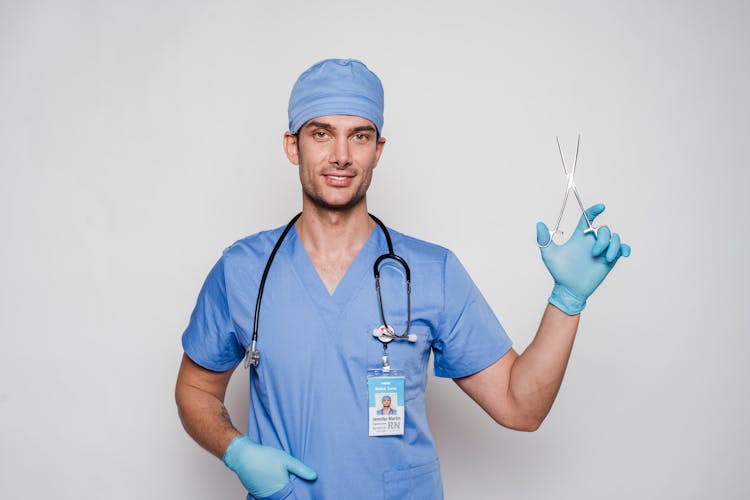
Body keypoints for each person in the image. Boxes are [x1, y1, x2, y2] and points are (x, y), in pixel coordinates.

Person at [175, 58, 631, 500]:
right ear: (293, 146)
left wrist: (567, 299)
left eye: (359, 136)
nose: (340, 155)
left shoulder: (433, 273)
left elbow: (521, 406)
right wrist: (235, 449)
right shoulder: (242, 270)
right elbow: (195, 388)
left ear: (378, 149)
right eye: (321, 134)